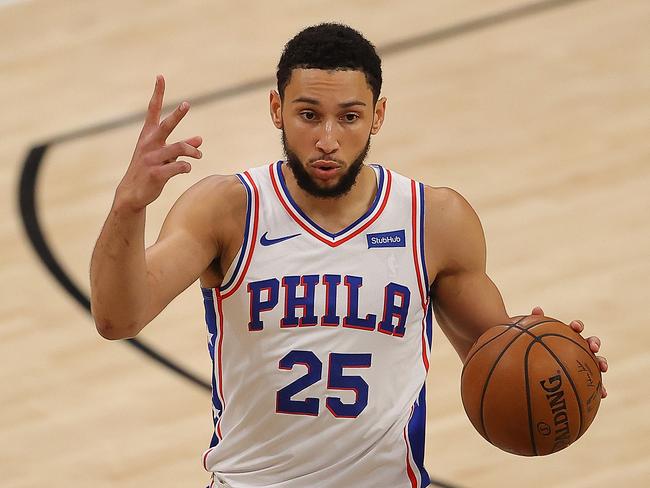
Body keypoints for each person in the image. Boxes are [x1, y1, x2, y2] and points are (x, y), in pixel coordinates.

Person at [90, 23, 608, 488]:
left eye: (350, 117)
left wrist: (561, 364)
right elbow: (118, 317)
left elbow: (497, 351)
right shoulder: (227, 210)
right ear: (276, 109)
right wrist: (127, 207)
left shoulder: (434, 221)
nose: (328, 140)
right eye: (309, 115)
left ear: (379, 115)